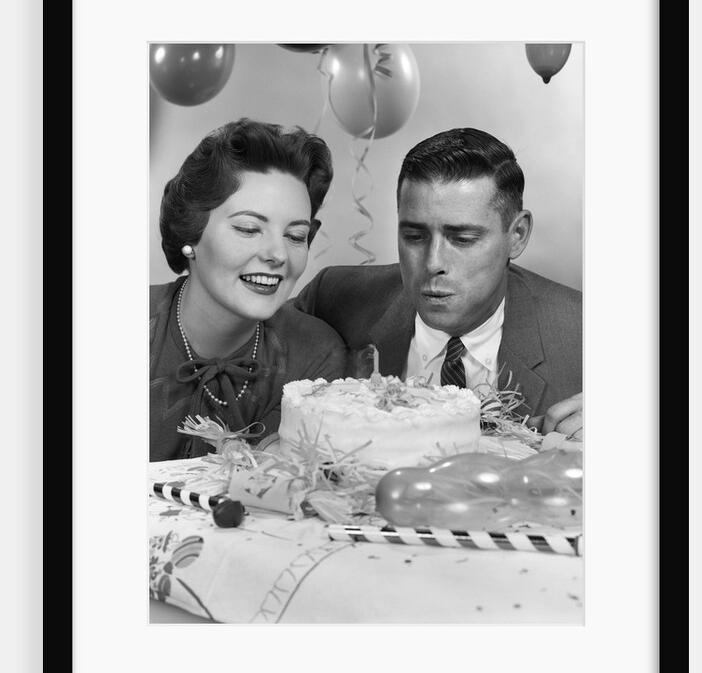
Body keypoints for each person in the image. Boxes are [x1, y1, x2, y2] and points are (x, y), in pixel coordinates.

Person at [292, 126, 582, 439]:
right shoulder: (336, 297)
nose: (433, 263)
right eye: (414, 236)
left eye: (462, 239)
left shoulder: (586, 334)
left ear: (517, 235)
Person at [150, 118, 348, 461]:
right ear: (190, 233)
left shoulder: (316, 356)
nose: (278, 255)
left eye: (295, 236)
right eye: (248, 228)